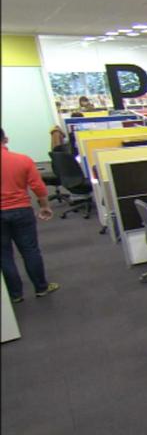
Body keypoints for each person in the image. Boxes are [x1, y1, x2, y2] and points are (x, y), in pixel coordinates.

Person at [1, 128, 60, 303]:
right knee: (30, 250)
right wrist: (45, 206)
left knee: (4, 255)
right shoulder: (22, 159)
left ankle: (15, 294)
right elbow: (38, 187)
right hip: (21, 210)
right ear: (6, 139)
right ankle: (41, 288)